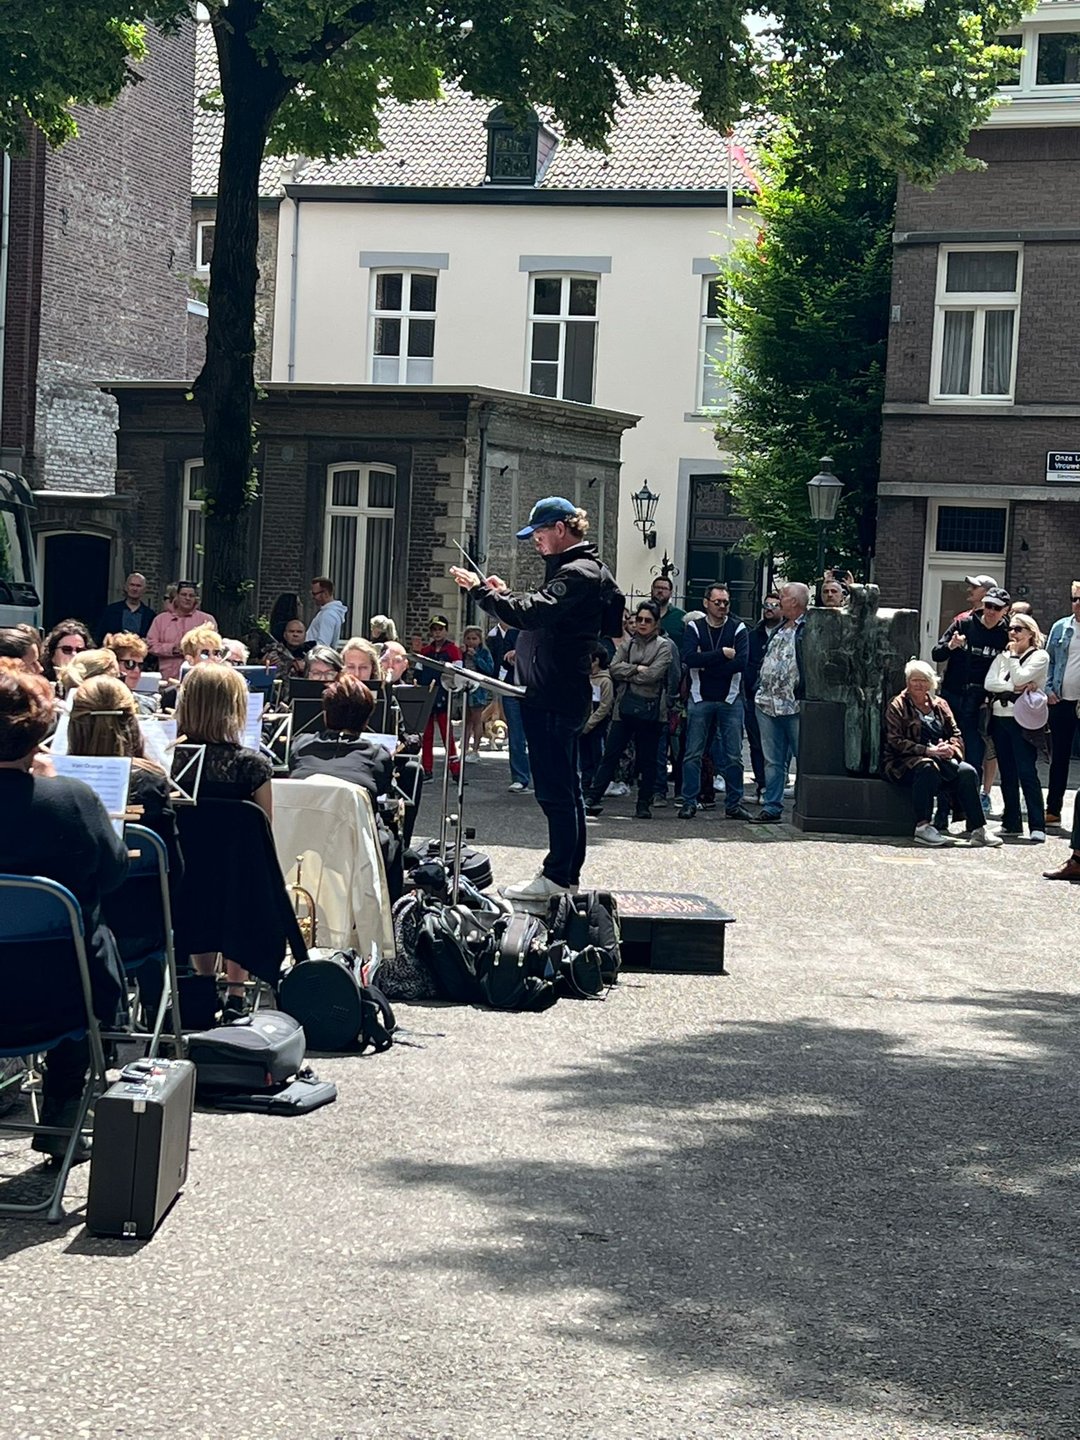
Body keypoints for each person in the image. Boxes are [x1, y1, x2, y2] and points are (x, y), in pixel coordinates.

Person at [452, 496, 615, 901]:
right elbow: (546, 612)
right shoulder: (583, 569)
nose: (536, 542)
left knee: (556, 792)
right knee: (567, 790)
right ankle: (565, 875)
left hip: (553, 694)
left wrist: (482, 593)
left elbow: (534, 613)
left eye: (539, 534)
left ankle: (557, 876)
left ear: (560, 529)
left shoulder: (577, 572)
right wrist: (506, 594)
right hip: (559, 692)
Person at [0, 667, 129, 1160]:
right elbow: (113, 874)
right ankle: (61, 1114)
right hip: (59, 995)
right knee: (84, 942)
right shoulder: (71, 798)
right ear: (38, 733)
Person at [67, 676, 184, 1008]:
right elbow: (173, 869)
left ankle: (102, 1018)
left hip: (73, 934)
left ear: (74, 726)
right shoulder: (152, 782)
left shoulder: (59, 787)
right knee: (150, 904)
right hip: (139, 930)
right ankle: (154, 1009)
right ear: (132, 724)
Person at [174, 663, 274, 1019]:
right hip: (238, 886)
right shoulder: (253, 766)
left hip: (183, 883)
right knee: (241, 877)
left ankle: (203, 982)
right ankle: (236, 991)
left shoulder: (169, 763)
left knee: (198, 886)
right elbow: (264, 828)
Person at [884, 660, 1001, 847]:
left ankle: (978, 829)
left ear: (931, 683)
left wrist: (950, 749)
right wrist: (927, 751)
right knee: (928, 768)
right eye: (914, 680)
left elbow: (956, 734)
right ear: (907, 682)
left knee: (968, 772)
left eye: (923, 680)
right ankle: (923, 826)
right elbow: (894, 740)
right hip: (905, 761)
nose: (919, 684)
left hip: (941, 759)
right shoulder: (897, 705)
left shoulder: (940, 704)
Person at [584, 601, 674, 820]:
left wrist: (631, 673)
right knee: (611, 754)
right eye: (639, 619)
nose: (642, 624)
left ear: (656, 623)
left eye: (647, 620)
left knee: (648, 759)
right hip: (624, 708)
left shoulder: (664, 646)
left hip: (651, 709)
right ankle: (593, 797)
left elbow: (653, 675)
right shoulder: (628, 644)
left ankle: (643, 804)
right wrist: (637, 669)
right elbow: (613, 668)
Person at [931, 584, 1010, 806]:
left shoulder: (1006, 634)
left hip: (980, 703)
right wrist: (951, 645)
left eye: (996, 608)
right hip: (953, 696)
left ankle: (969, 808)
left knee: (975, 754)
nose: (990, 611)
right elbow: (936, 654)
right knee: (948, 751)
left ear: (1005, 610)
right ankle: (944, 808)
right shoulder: (964, 624)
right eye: (988, 605)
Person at [678, 583, 751, 821]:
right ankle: (689, 801)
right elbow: (689, 658)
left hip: (730, 698)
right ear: (706, 603)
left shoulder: (738, 627)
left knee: (733, 756)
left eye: (725, 602)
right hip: (700, 697)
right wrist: (721, 655)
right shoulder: (695, 627)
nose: (722, 606)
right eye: (717, 602)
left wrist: (707, 665)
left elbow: (741, 662)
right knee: (693, 753)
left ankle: (734, 803)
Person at [984, 612, 1049, 843]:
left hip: (1023, 720)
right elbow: (989, 682)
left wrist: (1013, 663)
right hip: (999, 717)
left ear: (1031, 633)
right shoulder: (1002, 656)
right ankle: (1011, 822)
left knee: (1026, 771)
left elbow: (1021, 677)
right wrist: (1011, 686)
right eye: (1010, 629)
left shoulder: (1040, 656)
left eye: (1018, 629)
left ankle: (1037, 825)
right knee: (1007, 772)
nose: (1012, 633)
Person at [751, 581, 809, 824]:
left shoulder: (810, 628)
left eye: (782, 597)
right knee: (772, 760)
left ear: (793, 602)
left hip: (794, 705)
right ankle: (772, 806)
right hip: (767, 704)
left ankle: (805, 806)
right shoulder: (779, 627)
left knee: (803, 757)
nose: (777, 602)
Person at [1043, 579, 1080, 826]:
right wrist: (1048, 690)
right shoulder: (1061, 627)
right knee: (1059, 757)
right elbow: (1050, 661)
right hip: (1061, 701)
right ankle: (1053, 810)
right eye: (1074, 599)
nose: (1077, 604)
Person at [743, 592, 782, 802]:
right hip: (755, 698)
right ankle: (762, 785)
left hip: (781, 698)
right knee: (757, 744)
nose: (769, 608)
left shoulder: (786, 633)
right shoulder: (752, 636)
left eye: (775, 605)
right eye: (767, 604)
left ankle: (776, 787)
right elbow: (745, 662)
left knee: (779, 747)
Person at [417, 615, 462, 779]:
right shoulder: (425, 651)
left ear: (446, 631)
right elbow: (418, 672)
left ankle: (455, 770)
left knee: (447, 734)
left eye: (440, 629)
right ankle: (427, 769)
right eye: (434, 630)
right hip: (427, 695)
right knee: (427, 735)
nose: (437, 633)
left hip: (444, 694)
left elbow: (458, 673)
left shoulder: (453, 650)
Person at [146, 581, 217, 683]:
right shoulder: (161, 619)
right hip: (167, 678)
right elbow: (150, 645)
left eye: (191, 595)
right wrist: (173, 649)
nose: (187, 598)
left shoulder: (207, 620)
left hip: (199, 678)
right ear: (177, 596)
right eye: (184, 594)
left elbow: (215, 647)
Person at [490, 621, 530, 793]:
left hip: (532, 689)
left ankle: (539, 776)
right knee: (516, 736)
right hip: (512, 689)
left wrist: (520, 653)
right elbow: (501, 662)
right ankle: (520, 777)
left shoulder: (536, 633)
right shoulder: (507, 635)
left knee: (537, 736)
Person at [580, 647, 614, 795]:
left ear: (596, 661)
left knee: (597, 755)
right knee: (584, 757)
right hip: (583, 723)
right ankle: (585, 785)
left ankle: (597, 786)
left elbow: (604, 706)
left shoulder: (605, 681)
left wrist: (589, 723)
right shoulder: (585, 678)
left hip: (598, 725)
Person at [460, 625, 495, 760]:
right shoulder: (462, 652)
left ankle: (475, 749)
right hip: (464, 688)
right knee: (466, 721)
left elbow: (489, 669)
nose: (471, 641)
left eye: (474, 638)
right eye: (468, 638)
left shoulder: (484, 653)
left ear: (480, 640)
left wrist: (476, 657)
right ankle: (464, 749)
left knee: (476, 720)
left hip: (478, 690)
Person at [97, 572, 156, 642]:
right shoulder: (111, 611)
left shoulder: (150, 615)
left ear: (144, 590)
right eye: (132, 585)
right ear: (125, 587)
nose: (134, 589)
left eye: (138, 586)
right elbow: (101, 635)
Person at [42, 619, 92, 683]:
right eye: (67, 649)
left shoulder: (94, 685)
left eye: (80, 650)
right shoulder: (40, 684)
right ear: (52, 654)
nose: (74, 654)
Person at [306, 576, 347, 649]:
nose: (313, 597)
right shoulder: (329, 612)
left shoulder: (328, 615)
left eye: (314, 594)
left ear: (326, 593)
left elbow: (323, 645)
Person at [650, 576, 685, 641]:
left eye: (664, 588)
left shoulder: (681, 617)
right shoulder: (643, 615)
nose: (660, 591)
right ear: (652, 590)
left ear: (671, 593)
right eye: (657, 587)